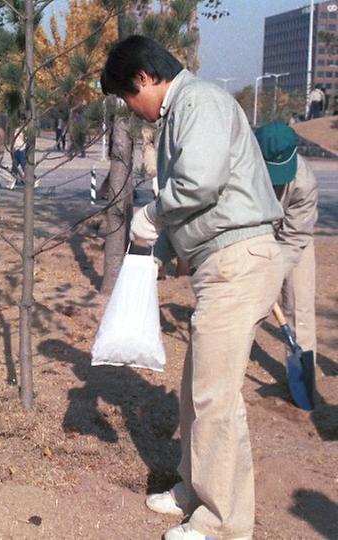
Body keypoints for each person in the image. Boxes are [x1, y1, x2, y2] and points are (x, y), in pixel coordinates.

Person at [102, 35, 284, 540]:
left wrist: (151, 215)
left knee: (215, 398)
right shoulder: (183, 110)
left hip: (238, 261)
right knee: (197, 391)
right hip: (221, 262)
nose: (131, 109)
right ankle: (194, 487)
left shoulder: (198, 100)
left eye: (125, 97)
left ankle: (222, 522)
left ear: (142, 78)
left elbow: (199, 182)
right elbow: (203, 198)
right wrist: (162, 253)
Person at [255, 121, 318, 359]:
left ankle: (303, 367)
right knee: (248, 299)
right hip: (254, 236)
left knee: (299, 303)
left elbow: (296, 235)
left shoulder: (304, 181)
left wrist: (274, 272)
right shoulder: (239, 169)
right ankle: (235, 353)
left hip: (295, 237)